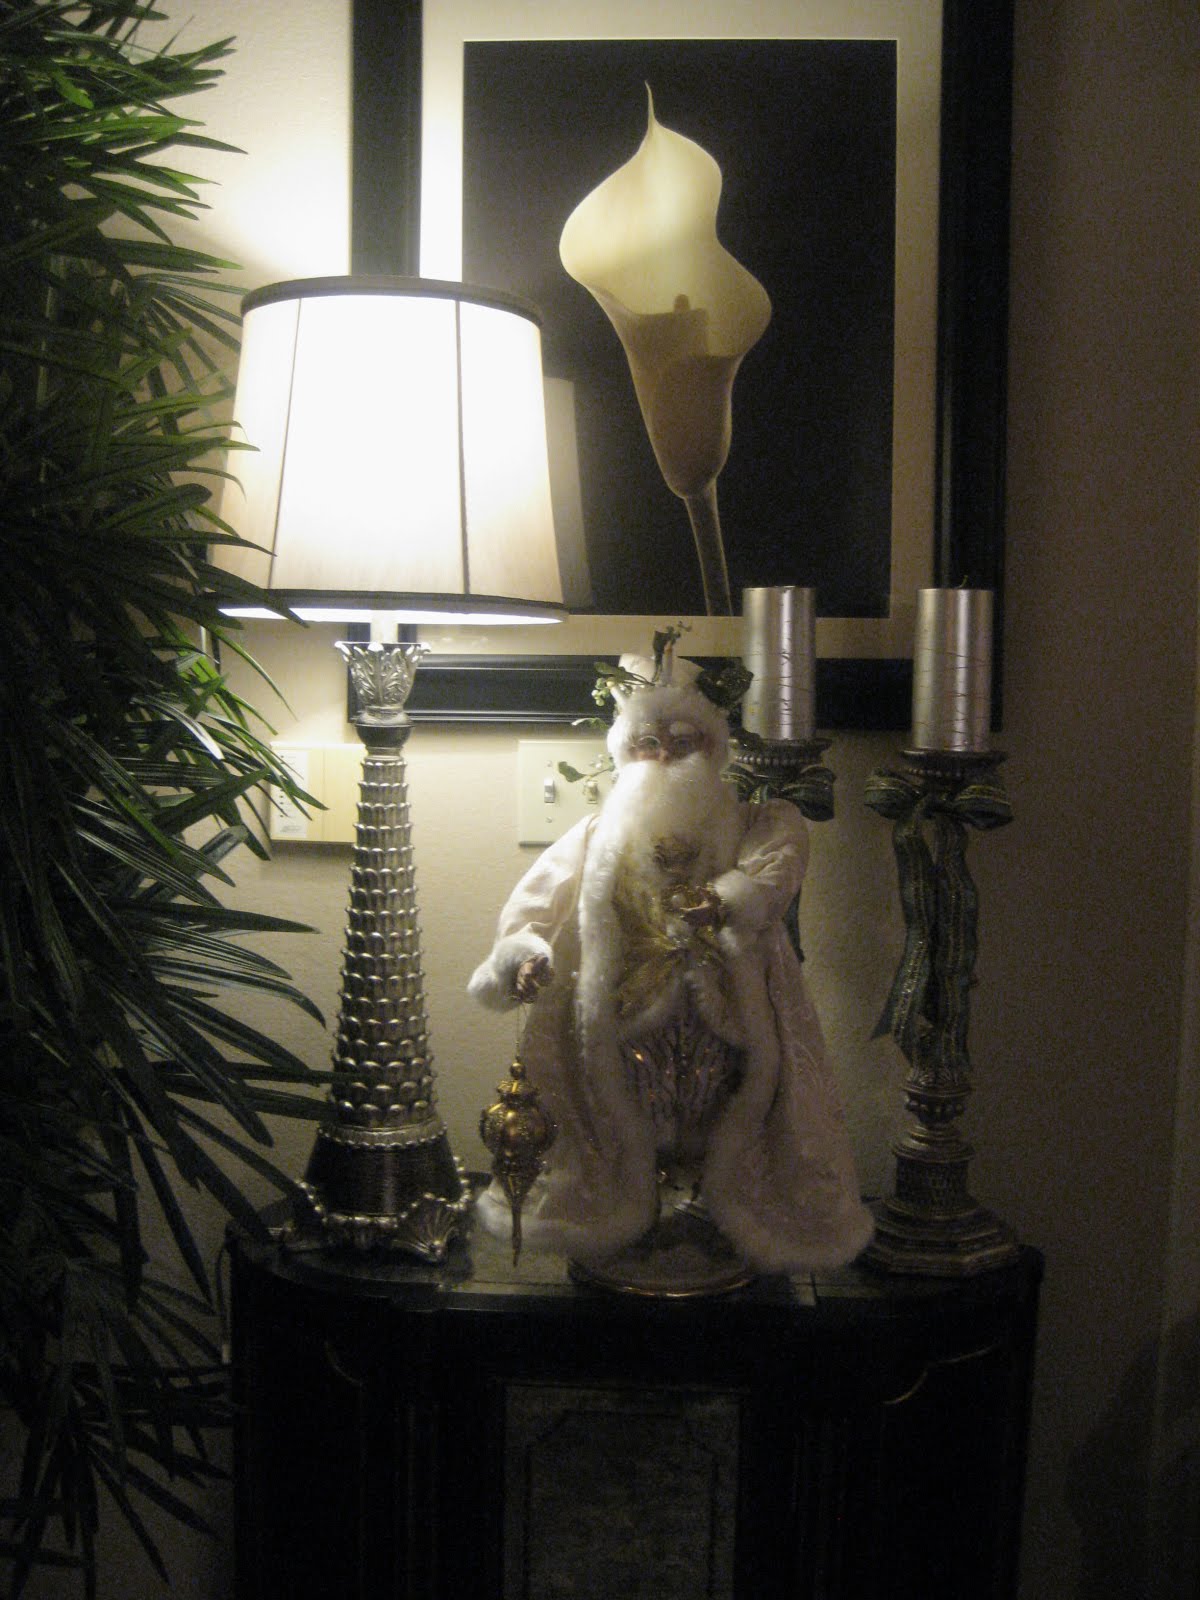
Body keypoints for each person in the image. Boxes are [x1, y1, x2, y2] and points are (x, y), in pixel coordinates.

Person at [467, 651, 872, 1275]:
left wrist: (728, 898)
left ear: (712, 749)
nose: (664, 758)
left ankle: (712, 1216)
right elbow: (537, 900)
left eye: (682, 743)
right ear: (626, 752)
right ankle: (633, 1218)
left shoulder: (752, 823)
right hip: (626, 1019)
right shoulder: (597, 837)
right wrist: (521, 954)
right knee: (625, 1116)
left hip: (729, 1017)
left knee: (730, 1112)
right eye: (648, 744)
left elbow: (779, 863)